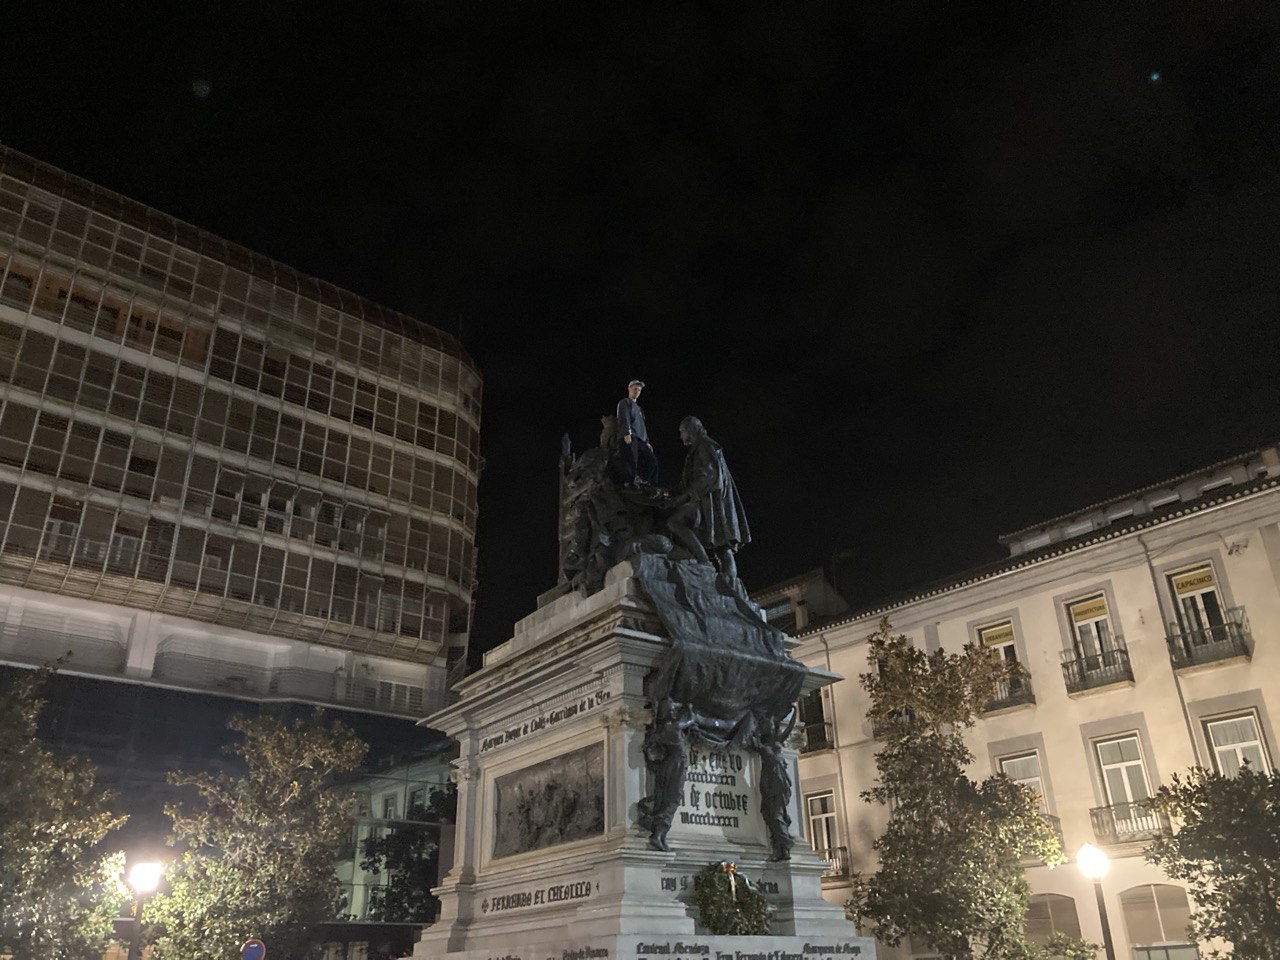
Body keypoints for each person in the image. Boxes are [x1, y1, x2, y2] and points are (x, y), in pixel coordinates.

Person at [667, 416, 750, 581]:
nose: (681, 436)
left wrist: (684, 497)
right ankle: (729, 586)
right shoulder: (701, 446)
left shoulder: (704, 445)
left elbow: (709, 475)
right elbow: (690, 481)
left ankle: (704, 561)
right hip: (709, 500)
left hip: (710, 501)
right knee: (722, 548)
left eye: (682, 431)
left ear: (691, 429)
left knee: (674, 522)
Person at [616, 379, 658, 486]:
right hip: (630, 437)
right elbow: (624, 417)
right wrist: (626, 433)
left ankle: (647, 483)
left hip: (640, 440)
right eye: (635, 389)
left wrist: (647, 441)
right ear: (629, 389)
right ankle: (630, 483)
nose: (637, 391)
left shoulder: (640, 409)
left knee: (652, 461)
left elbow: (642, 427)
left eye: (639, 390)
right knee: (631, 461)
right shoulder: (624, 402)